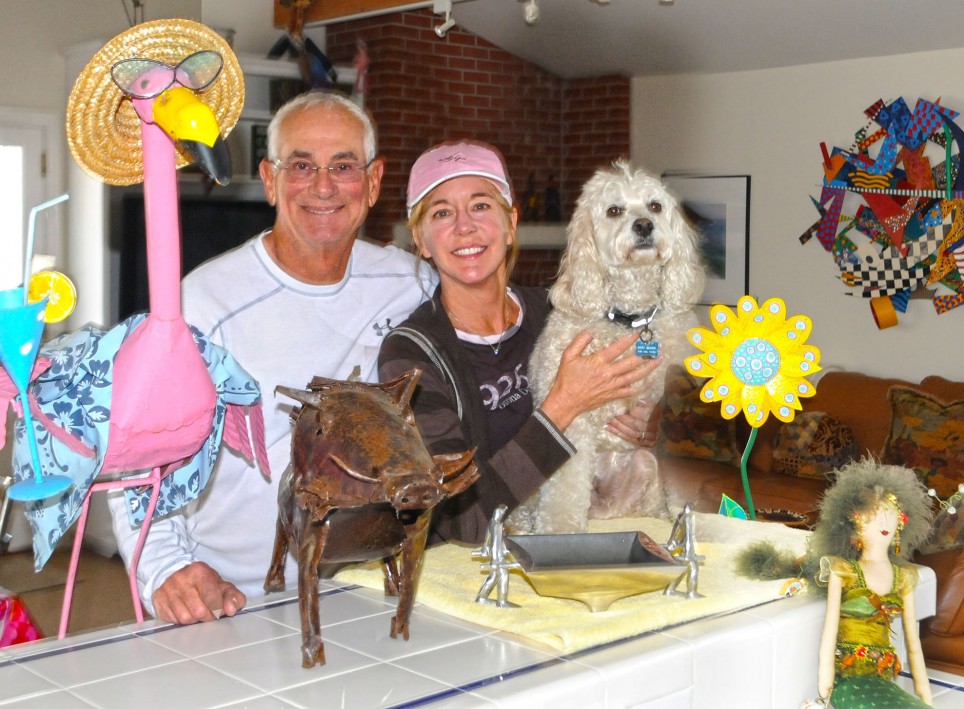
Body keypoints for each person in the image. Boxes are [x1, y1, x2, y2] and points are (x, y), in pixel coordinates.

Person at [108, 91, 437, 625]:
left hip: (371, 587)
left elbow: (494, 338)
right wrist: (165, 567)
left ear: (373, 182)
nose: (324, 186)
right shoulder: (201, 303)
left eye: (344, 166)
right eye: (302, 165)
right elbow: (135, 453)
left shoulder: (413, 283)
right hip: (234, 600)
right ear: (269, 179)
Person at [376, 140, 662, 545]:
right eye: (441, 213)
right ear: (420, 241)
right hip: (474, 577)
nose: (464, 226)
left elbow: (627, 428)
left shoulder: (563, 315)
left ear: (511, 223)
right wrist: (562, 406)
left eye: (480, 205)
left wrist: (646, 421)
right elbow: (460, 520)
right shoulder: (411, 355)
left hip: (585, 545)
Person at [812, 460, 935, 708]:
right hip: (847, 680)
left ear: (901, 522)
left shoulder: (903, 576)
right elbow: (829, 633)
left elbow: (914, 647)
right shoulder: (844, 571)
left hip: (882, 677)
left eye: (890, 514)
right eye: (873, 515)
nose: (883, 522)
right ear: (854, 525)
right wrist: (825, 692)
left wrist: (926, 697)